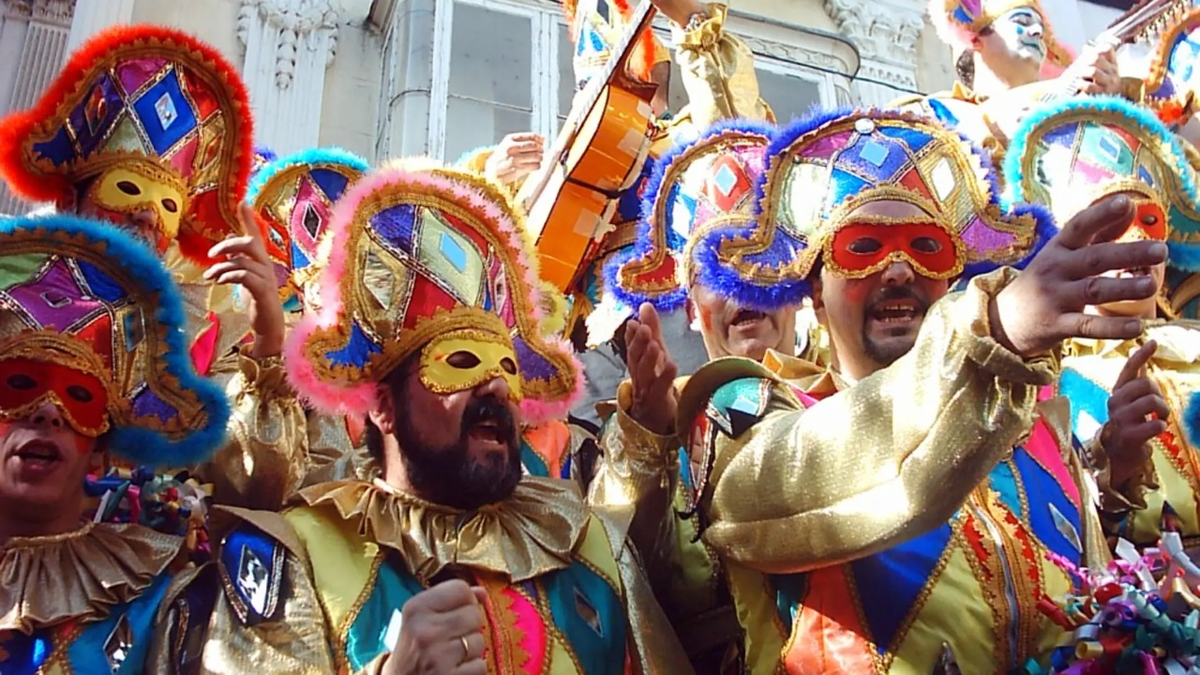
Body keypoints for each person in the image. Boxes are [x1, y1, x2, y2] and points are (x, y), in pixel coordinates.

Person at [615, 107, 1167, 673]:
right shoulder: (743, 416)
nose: (899, 270)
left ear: (953, 279)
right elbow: (815, 477)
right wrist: (990, 330)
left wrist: (1114, 469)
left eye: (927, 247)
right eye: (864, 248)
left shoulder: (1029, 421)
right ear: (814, 290)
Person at [194, 162, 691, 673]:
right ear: (384, 408)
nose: (496, 384)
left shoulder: (583, 545)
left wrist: (649, 431)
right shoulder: (289, 556)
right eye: (460, 364)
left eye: (507, 368)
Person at [0, 25, 303, 510]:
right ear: (70, 198)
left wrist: (267, 340)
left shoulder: (206, 331)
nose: (145, 213)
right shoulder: (9, 285)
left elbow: (254, 490)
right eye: (125, 188)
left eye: (166, 205)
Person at [0, 214, 230, 673]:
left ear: (103, 446)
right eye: (18, 386)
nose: (47, 412)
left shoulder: (155, 603)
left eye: (78, 397)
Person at [1005, 95, 1200, 548]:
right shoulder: (1039, 375)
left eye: (1147, 221)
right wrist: (1114, 467)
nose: (1132, 242)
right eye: (1110, 228)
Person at [897, 0, 1119, 166]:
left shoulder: (1069, 113)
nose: (1037, 32)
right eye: (1021, 21)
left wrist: (1108, 111)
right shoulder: (932, 112)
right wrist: (997, 128)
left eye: (1041, 29)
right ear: (975, 39)